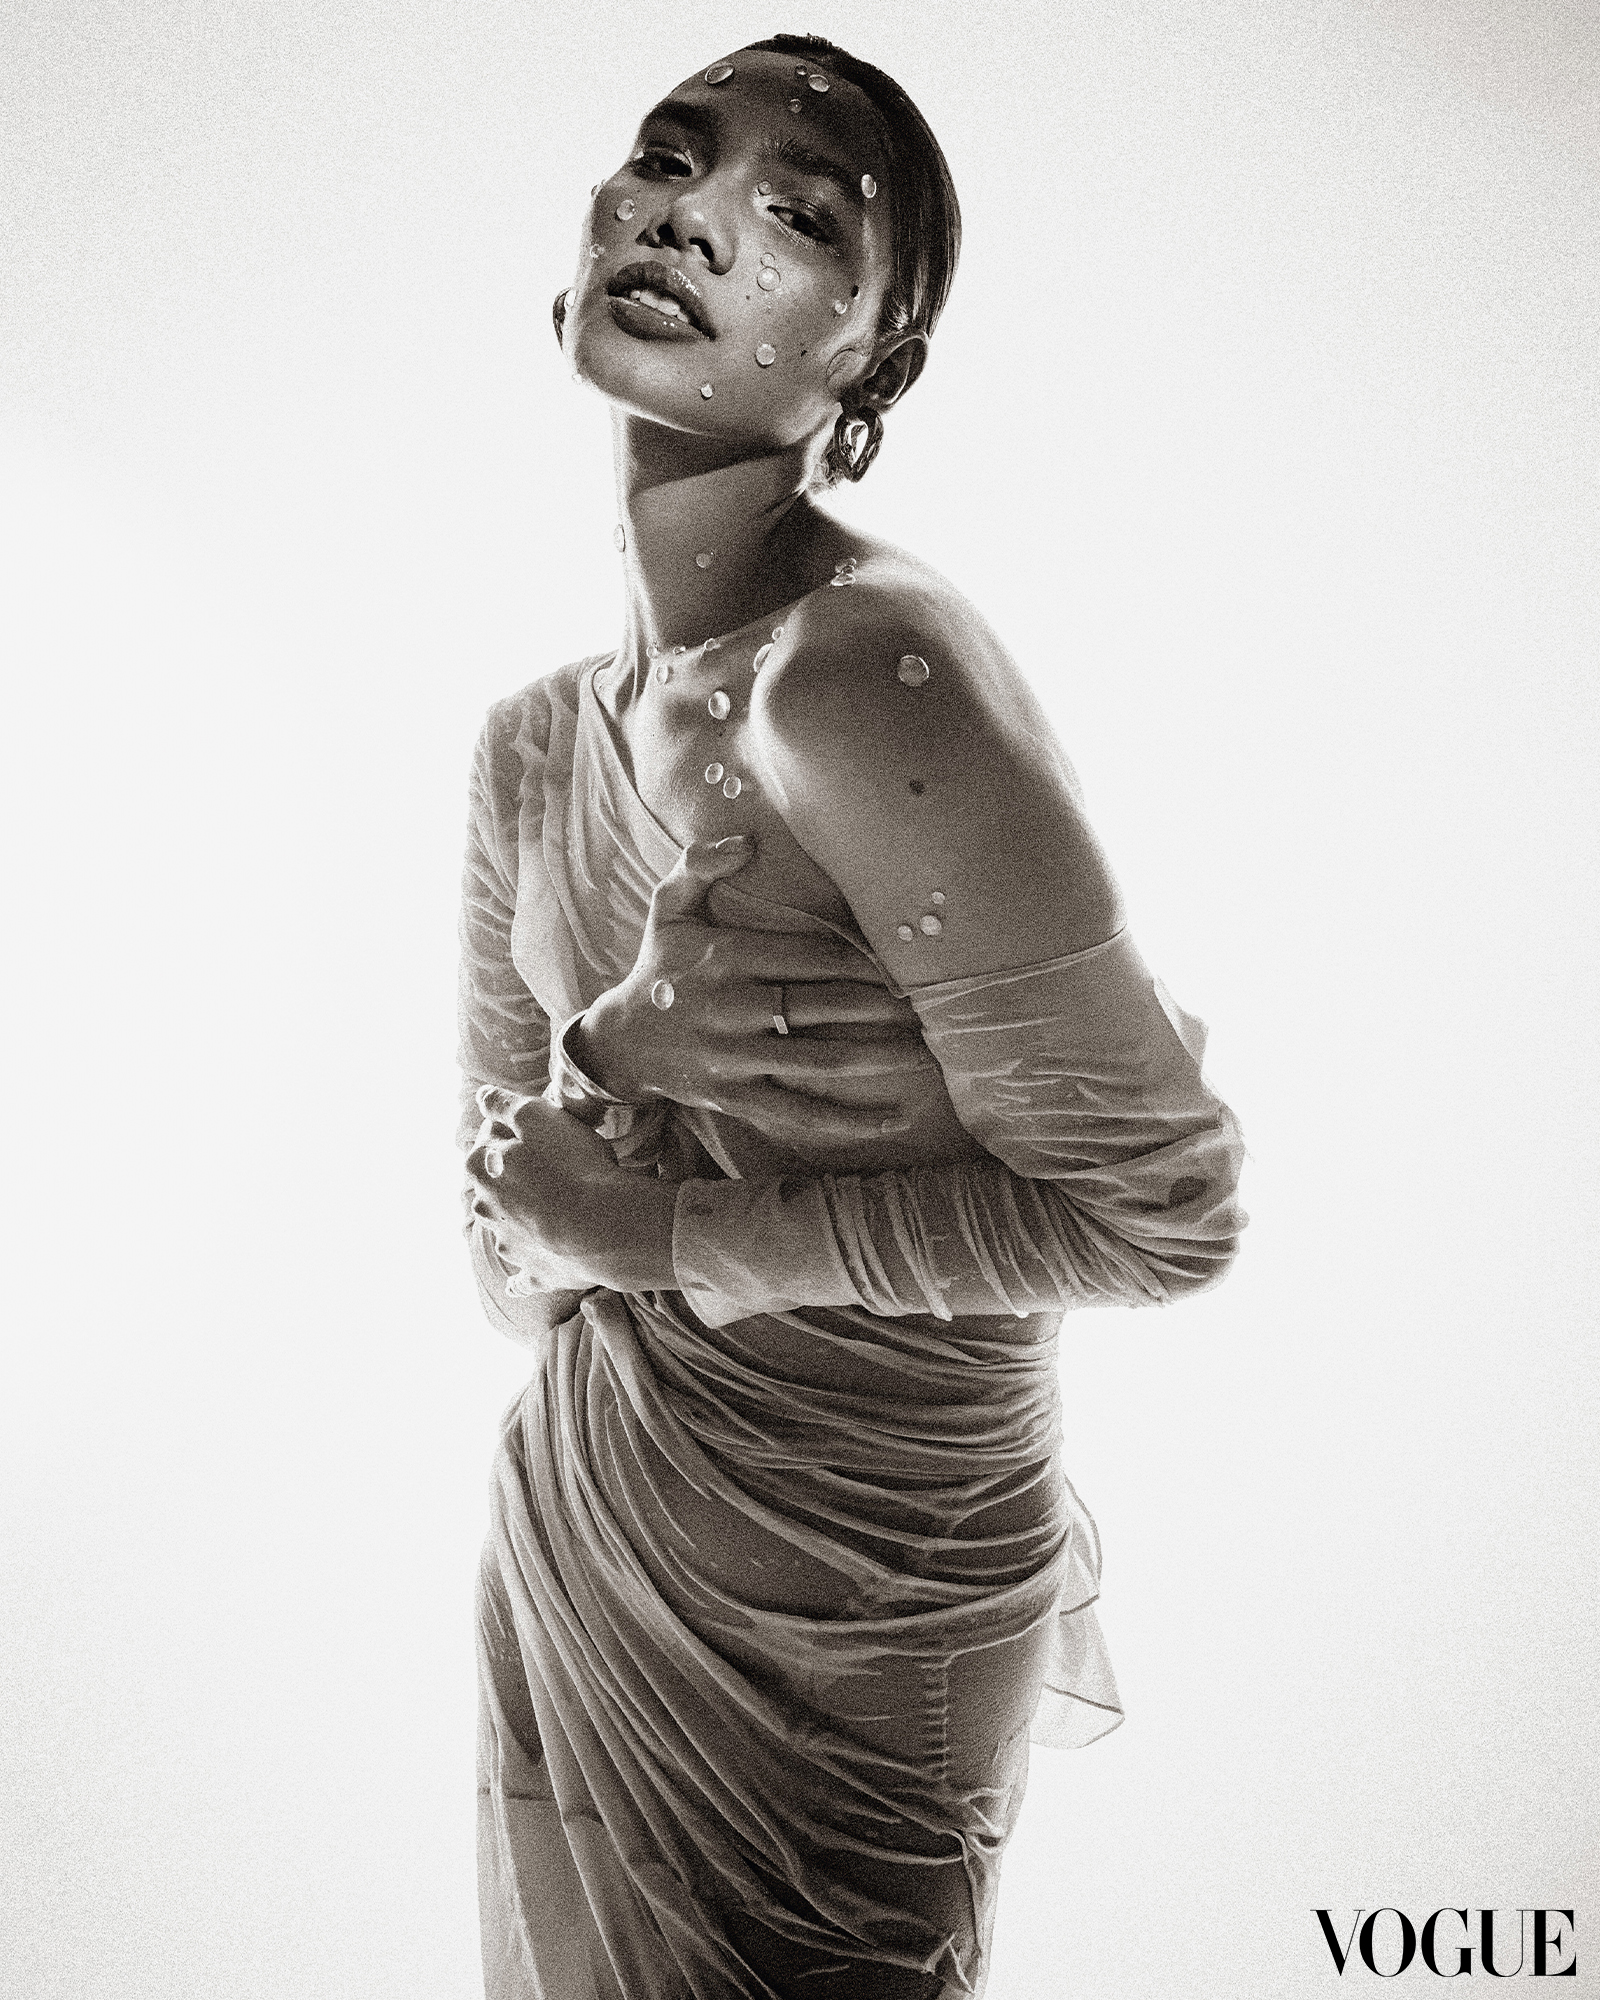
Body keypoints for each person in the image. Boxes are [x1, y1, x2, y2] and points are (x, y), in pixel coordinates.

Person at [459, 33, 1246, 1999]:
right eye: (666, 158)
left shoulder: (854, 677)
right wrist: (599, 1090)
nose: (693, 215)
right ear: (573, 257)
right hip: (583, 1548)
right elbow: (504, 1259)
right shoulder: (526, 752)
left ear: (861, 378)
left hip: (855, 1620)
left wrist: (660, 1225)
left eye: (795, 217)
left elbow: (1165, 1215)